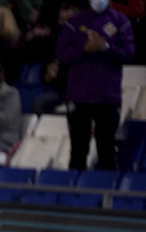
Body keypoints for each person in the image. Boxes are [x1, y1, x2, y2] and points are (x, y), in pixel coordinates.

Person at [57, 0, 135, 170]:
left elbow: (128, 54)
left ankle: (106, 194)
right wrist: (84, 49)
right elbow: (62, 53)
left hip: (108, 97)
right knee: (78, 151)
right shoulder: (74, 22)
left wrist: (105, 47)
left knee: (106, 151)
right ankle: (74, 193)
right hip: (79, 97)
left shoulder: (120, 21)